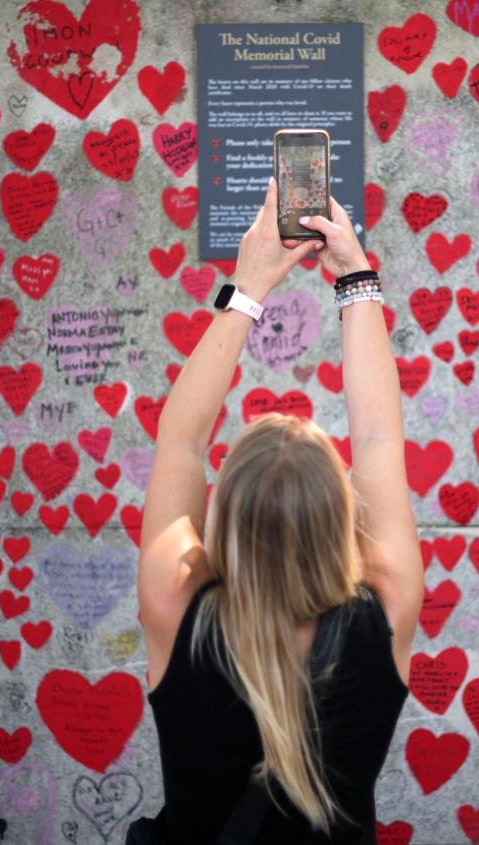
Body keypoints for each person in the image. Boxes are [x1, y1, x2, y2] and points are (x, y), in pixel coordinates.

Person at [136, 176, 423, 843]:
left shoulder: (174, 598)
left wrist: (248, 288)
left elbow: (180, 438)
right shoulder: (386, 602)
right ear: (340, 516)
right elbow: (380, 436)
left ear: (223, 518)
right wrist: (356, 276)